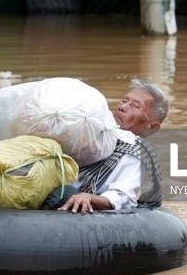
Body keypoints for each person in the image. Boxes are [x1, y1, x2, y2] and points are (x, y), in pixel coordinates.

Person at [56, 79, 168, 213]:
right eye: (124, 101)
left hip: (77, 200)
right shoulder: (95, 129)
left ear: (151, 126)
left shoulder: (136, 153)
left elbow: (122, 196)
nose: (122, 107)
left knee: (61, 194)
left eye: (134, 106)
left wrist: (90, 198)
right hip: (56, 186)